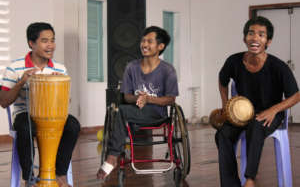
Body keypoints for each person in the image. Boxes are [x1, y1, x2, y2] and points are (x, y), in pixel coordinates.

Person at [216, 16, 300, 187]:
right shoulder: (234, 61)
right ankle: (230, 184)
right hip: (243, 114)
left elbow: (296, 95)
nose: (255, 38)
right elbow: (222, 80)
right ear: (244, 38)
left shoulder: (278, 67)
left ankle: (250, 179)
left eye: (261, 35)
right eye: (251, 33)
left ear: (268, 41)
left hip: (270, 115)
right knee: (223, 134)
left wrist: (274, 110)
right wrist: (226, 105)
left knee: (256, 126)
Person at [0, 22, 81, 187]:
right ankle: (29, 177)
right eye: (45, 41)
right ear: (32, 43)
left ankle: (59, 174)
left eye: (52, 40)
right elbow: (3, 101)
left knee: (73, 125)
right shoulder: (14, 67)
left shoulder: (59, 68)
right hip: (26, 115)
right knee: (25, 126)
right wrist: (22, 81)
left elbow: (66, 102)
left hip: (54, 118)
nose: (50, 45)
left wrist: (57, 86)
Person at [96, 26, 179, 180]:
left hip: (156, 113)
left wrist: (149, 99)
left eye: (149, 41)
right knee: (122, 109)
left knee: (122, 111)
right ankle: (119, 146)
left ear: (160, 46)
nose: (144, 44)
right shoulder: (131, 67)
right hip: (134, 111)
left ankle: (112, 156)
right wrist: (138, 98)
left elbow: (170, 99)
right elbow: (127, 96)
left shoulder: (168, 70)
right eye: (143, 41)